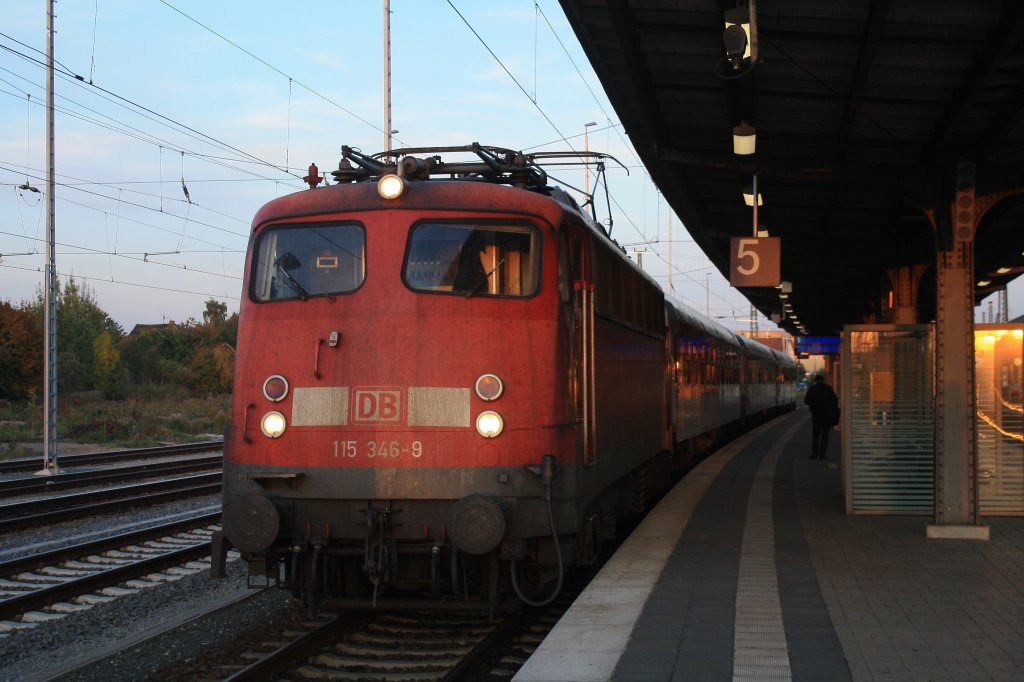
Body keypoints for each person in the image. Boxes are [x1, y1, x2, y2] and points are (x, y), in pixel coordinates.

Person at [804, 374, 839, 459]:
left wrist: (814, 405)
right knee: (825, 436)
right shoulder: (828, 389)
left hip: (816, 416)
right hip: (827, 416)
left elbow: (806, 401)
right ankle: (822, 455)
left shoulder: (812, 389)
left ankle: (814, 454)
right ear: (823, 380)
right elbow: (835, 400)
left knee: (816, 436)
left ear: (815, 381)